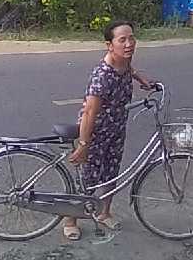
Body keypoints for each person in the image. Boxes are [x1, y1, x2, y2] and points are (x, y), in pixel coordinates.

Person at [61, 20, 156, 241]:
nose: (129, 44)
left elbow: (129, 68)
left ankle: (104, 213)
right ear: (109, 45)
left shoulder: (124, 61)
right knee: (87, 179)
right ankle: (70, 221)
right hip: (94, 133)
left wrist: (141, 78)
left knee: (111, 173)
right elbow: (89, 112)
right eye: (122, 40)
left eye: (131, 38)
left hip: (116, 129)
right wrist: (84, 145)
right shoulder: (102, 74)